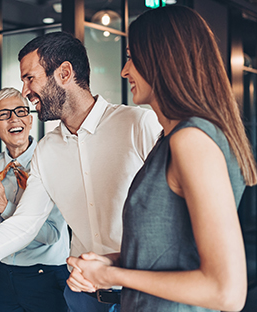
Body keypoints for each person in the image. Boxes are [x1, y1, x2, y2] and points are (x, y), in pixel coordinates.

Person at [0, 31, 162, 312]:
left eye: (30, 78)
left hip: (147, 294)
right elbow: (24, 225)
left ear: (64, 73)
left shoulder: (139, 124)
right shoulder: (47, 150)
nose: (26, 92)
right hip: (83, 299)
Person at [66, 5, 257, 312]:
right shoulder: (171, 138)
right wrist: (108, 262)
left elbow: (226, 292)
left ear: (162, 60)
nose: (124, 70)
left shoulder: (192, 139)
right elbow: (174, 252)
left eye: (132, 57)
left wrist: (110, 274)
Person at [0, 87, 70, 311]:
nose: (14, 118)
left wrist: (4, 208)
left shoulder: (52, 161)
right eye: (4, 114)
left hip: (46, 273)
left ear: (30, 119)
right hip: (4, 272)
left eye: (21, 111)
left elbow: (51, 234)